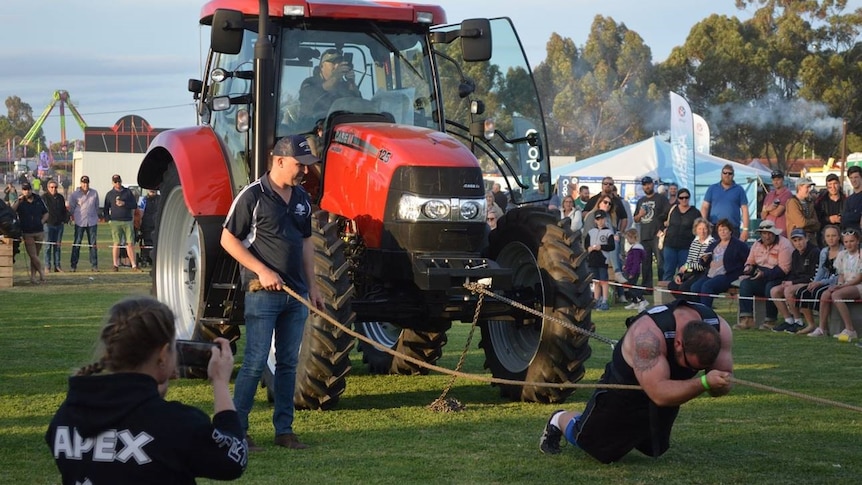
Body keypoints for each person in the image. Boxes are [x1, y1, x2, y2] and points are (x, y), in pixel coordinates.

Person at [45, 296, 247, 483]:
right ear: (162, 354)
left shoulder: (67, 416)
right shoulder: (176, 423)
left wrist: (151, 394)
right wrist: (220, 383)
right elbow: (234, 459)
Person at [220, 135, 324, 450]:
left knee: (288, 364)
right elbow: (228, 239)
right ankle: (237, 429)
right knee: (254, 360)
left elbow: (306, 243)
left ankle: (285, 431)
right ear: (278, 160)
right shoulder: (251, 196)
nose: (304, 171)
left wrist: (314, 285)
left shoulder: (303, 198)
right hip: (261, 294)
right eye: (299, 165)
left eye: (307, 165)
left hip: (296, 296)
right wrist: (262, 271)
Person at [538, 299, 733, 463]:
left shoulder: (719, 330)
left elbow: (720, 388)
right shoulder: (647, 336)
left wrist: (719, 384)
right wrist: (704, 383)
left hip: (664, 383)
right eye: (689, 365)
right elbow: (659, 394)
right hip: (625, 387)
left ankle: (628, 434)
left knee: (652, 448)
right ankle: (559, 419)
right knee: (600, 449)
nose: (692, 371)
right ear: (679, 343)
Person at [735, 220, 794, 330]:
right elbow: (750, 261)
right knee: (745, 284)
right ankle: (746, 319)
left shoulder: (784, 244)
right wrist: (748, 268)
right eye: (764, 234)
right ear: (760, 234)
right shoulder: (756, 244)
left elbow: (784, 269)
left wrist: (764, 274)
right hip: (760, 274)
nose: (767, 236)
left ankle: (771, 320)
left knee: (770, 287)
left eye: (769, 233)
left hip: (780, 277)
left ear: (774, 233)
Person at [808, 227, 862, 340]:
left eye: (852, 241)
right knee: (826, 294)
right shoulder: (842, 255)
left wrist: (842, 286)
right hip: (846, 284)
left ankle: (850, 329)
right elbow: (841, 274)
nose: (849, 244)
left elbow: (858, 278)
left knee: (836, 295)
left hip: (858, 285)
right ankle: (822, 328)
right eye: (846, 242)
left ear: (858, 241)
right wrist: (840, 284)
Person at [690, 219, 751, 308]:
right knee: (694, 288)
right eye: (720, 230)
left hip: (727, 275)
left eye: (725, 229)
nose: (722, 232)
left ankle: (707, 314)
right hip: (710, 274)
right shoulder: (714, 244)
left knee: (707, 287)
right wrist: (704, 259)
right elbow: (702, 262)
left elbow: (748, 260)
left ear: (730, 231)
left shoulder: (739, 245)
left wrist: (746, 271)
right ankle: (699, 311)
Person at [769, 229, 820, 333]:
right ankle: (789, 320)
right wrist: (788, 281)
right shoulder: (795, 253)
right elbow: (794, 273)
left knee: (788, 290)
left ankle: (799, 321)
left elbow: (813, 275)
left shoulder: (815, 252)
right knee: (774, 291)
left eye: (800, 239)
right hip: (797, 281)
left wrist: (792, 283)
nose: (798, 243)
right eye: (795, 240)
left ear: (806, 239)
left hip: (811, 281)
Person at [795, 225, 842, 334]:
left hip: (836, 281)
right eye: (828, 236)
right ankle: (811, 324)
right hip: (823, 280)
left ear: (839, 237)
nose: (831, 238)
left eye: (834, 235)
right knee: (803, 291)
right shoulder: (824, 251)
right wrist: (814, 282)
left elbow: (839, 275)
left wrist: (820, 282)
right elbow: (821, 270)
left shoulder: (843, 251)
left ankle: (823, 327)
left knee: (819, 292)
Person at [298, 49, 362, 125]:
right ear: (321, 66)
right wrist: (336, 77)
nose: (337, 65)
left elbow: (358, 105)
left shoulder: (344, 86)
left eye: (339, 62)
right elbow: (311, 97)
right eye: (333, 62)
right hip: (311, 127)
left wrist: (351, 82)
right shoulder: (310, 82)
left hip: (342, 127)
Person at [634, 176, 670, 293]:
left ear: (653, 184)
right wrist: (640, 214)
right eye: (644, 185)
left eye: (648, 184)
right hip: (645, 235)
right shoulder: (641, 201)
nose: (647, 186)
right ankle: (647, 287)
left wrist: (663, 227)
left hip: (657, 235)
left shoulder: (661, 199)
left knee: (661, 261)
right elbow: (636, 219)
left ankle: (662, 285)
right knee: (645, 263)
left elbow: (668, 213)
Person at [668, 217, 714, 301]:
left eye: (704, 229)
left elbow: (703, 265)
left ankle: (692, 306)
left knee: (685, 287)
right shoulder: (694, 242)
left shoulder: (711, 243)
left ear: (708, 230)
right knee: (672, 286)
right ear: (696, 230)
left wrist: (688, 266)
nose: (702, 231)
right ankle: (686, 305)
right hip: (692, 271)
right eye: (700, 229)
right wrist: (680, 274)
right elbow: (689, 260)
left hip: (704, 273)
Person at [701, 164, 750, 240]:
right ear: (721, 174)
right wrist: (704, 224)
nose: (727, 175)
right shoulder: (712, 188)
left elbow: (745, 209)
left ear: (733, 175)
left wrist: (745, 229)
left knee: (732, 252)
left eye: (730, 173)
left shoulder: (739, 190)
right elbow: (705, 207)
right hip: (715, 228)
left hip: (733, 229)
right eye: (725, 173)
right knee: (714, 251)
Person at [12, 181, 48, 284]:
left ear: (31, 190)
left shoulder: (38, 199)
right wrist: (18, 201)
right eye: (24, 190)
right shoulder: (20, 201)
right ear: (22, 191)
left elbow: (46, 213)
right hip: (27, 232)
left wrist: (42, 221)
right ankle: (42, 273)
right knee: (33, 255)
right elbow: (11, 211)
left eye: (28, 189)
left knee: (36, 255)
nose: (26, 192)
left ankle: (33, 277)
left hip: (39, 231)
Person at [661, 188, 699, 281]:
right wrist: (662, 230)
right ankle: (666, 294)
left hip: (686, 247)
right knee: (668, 270)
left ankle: (683, 294)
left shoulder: (695, 212)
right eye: (681, 198)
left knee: (684, 272)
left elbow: (700, 227)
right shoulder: (672, 209)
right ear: (678, 199)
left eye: (686, 197)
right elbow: (660, 218)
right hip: (670, 245)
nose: (684, 200)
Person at [104, 174, 139, 272]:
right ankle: (115, 265)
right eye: (115, 182)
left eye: (119, 181)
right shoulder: (110, 194)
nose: (117, 183)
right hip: (115, 221)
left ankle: (134, 265)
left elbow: (134, 205)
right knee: (116, 243)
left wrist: (124, 204)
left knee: (130, 243)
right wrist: (108, 219)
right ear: (112, 183)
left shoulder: (127, 192)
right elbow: (106, 208)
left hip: (127, 221)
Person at [67, 175, 100, 272]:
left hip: (92, 222)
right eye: (83, 183)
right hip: (80, 222)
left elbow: (97, 206)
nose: (85, 185)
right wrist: (70, 218)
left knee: (93, 244)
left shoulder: (94, 193)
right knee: (77, 243)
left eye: (86, 183)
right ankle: (73, 265)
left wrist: (96, 216)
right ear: (81, 183)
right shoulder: (75, 194)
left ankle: (94, 265)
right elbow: (72, 207)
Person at [586, 209, 616, 311]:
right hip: (592, 260)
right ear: (595, 220)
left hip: (603, 260)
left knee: (604, 281)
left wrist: (601, 247)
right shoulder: (591, 232)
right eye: (598, 219)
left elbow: (612, 246)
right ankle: (596, 300)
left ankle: (604, 301)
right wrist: (589, 249)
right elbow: (586, 245)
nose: (600, 221)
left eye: (602, 219)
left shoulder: (608, 232)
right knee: (596, 282)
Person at [42, 180, 69, 272]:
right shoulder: (44, 197)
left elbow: (64, 210)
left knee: (57, 246)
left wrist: (65, 220)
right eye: (51, 187)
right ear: (48, 188)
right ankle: (47, 266)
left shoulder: (60, 197)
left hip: (59, 225)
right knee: (48, 246)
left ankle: (57, 266)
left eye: (55, 187)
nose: (53, 189)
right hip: (48, 225)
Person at [784, 176, 820, 245]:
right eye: (807, 187)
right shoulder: (792, 202)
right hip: (797, 242)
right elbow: (801, 223)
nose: (809, 190)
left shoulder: (809, 203)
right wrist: (812, 221)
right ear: (800, 187)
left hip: (811, 241)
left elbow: (817, 225)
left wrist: (806, 223)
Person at [621, 228, 648, 312]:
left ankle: (642, 300)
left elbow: (636, 262)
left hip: (633, 272)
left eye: (628, 238)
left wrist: (632, 272)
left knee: (632, 287)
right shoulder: (634, 248)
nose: (627, 240)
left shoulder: (636, 249)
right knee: (630, 287)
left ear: (632, 238)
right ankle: (635, 301)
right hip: (629, 270)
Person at [814, 173, 844, 246]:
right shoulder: (820, 201)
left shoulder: (846, 200)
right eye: (830, 185)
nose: (833, 187)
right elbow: (816, 219)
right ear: (827, 186)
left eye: (835, 184)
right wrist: (829, 219)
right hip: (824, 238)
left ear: (839, 184)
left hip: (841, 236)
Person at [761, 170, 793, 235]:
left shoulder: (787, 194)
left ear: (783, 180)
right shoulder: (769, 195)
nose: (776, 182)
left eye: (778, 179)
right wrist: (769, 209)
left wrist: (767, 209)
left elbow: (777, 212)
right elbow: (762, 215)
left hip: (781, 231)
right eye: (774, 180)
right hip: (768, 231)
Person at [139, 189, 161, 266]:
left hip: (158, 224)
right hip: (147, 224)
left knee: (157, 241)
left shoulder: (160, 199)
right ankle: (146, 257)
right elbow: (141, 212)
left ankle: (156, 258)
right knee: (147, 241)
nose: (152, 191)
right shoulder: (144, 200)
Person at [840, 165, 862, 232]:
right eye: (851, 178)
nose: (853, 180)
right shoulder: (848, 200)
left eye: (856, 177)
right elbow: (844, 220)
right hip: (849, 236)